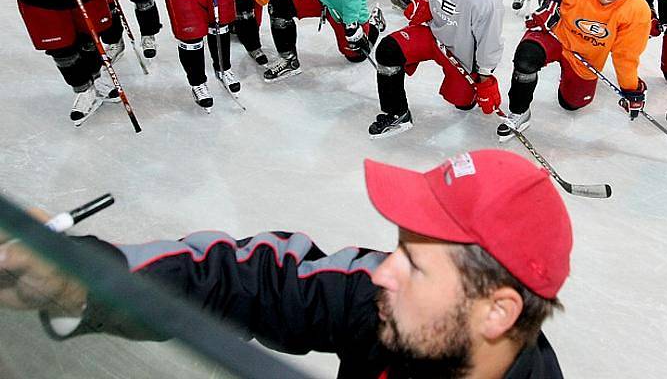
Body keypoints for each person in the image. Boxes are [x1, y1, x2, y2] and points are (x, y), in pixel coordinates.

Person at [0, 149, 573, 378]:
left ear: (496, 312)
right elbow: (241, 278)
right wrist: (80, 281)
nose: (381, 271)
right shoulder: (378, 305)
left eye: (415, 264)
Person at [498, 0, 650, 140]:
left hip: (585, 57)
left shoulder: (637, 11)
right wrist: (551, 0)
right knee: (526, 58)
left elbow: (625, 56)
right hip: (555, 36)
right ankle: (519, 112)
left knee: (571, 103)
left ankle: (568, 79)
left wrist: (630, 88)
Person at [369, 0, 504, 138]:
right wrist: (425, 4)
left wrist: (485, 78)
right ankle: (397, 113)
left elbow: (489, 41)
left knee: (463, 103)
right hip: (432, 33)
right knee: (388, 50)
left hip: (461, 52)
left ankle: (469, 92)